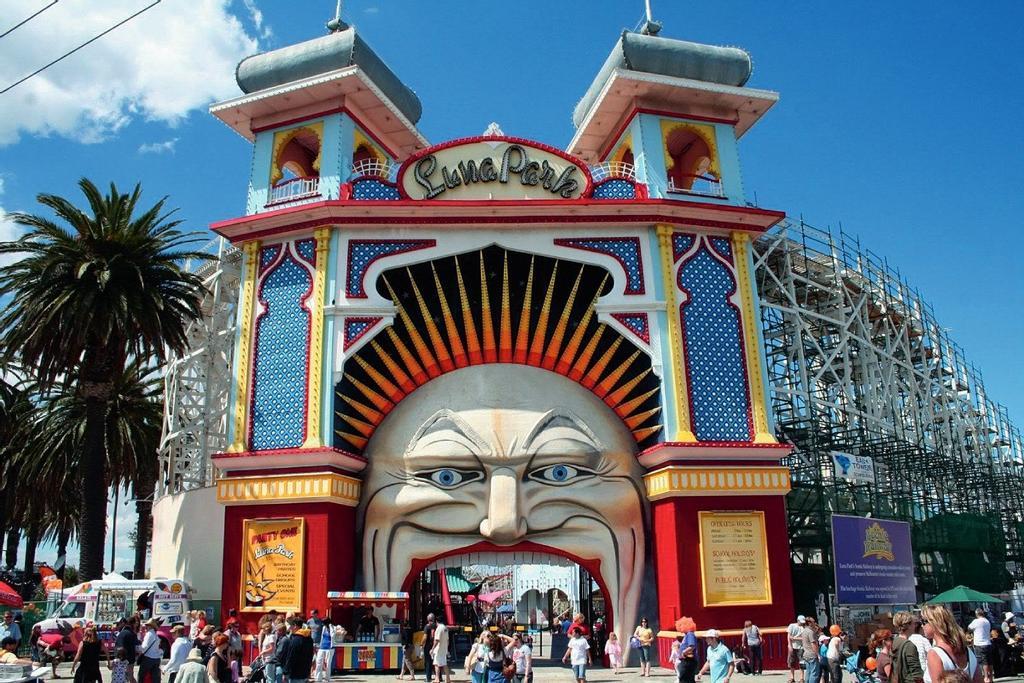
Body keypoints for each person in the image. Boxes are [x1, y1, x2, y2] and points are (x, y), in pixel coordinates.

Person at [920, 604, 980, 683]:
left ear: (934, 623)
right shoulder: (967, 651)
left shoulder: (935, 654)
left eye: (923, 622)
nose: (922, 625)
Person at [893, 612, 926, 683]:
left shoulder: (895, 641)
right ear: (908, 625)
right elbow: (916, 673)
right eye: (914, 623)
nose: (915, 626)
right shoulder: (908, 645)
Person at [282, 618, 315, 683]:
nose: (290, 628)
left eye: (291, 625)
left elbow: (291, 657)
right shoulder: (309, 638)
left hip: (295, 674)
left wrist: (285, 672)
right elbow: (311, 655)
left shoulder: (295, 640)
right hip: (305, 673)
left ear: (295, 626)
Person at [967, 609, 992, 683]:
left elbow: (969, 628)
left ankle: (986, 677)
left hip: (979, 644)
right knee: (989, 661)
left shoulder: (976, 621)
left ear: (977, 614)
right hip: (988, 643)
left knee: (983, 662)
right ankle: (990, 677)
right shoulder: (987, 621)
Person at [138, 618, 164, 683]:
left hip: (148, 658)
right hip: (156, 659)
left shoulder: (149, 634)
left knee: (141, 677)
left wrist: (137, 648)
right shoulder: (155, 635)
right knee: (155, 679)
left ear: (150, 626)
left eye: (147, 625)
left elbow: (144, 647)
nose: (146, 627)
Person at [800, 617, 821, 683]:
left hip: (806, 654)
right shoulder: (810, 632)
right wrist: (818, 655)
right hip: (812, 655)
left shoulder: (804, 631)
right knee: (814, 674)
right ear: (809, 623)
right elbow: (813, 644)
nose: (815, 623)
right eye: (813, 622)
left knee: (808, 672)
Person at [312, 618, 333, 683]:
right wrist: (320, 645)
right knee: (318, 662)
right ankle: (318, 678)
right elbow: (322, 637)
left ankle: (327, 678)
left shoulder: (332, 628)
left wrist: (330, 628)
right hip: (322, 647)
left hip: (329, 648)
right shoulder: (324, 628)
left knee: (328, 663)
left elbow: (333, 635)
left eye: (324, 622)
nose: (322, 624)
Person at [788, 616, 807, 683]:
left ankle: (802, 678)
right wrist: (789, 645)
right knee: (791, 662)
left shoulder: (804, 628)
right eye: (801, 622)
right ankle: (792, 677)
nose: (802, 623)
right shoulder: (791, 626)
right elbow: (789, 636)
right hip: (793, 646)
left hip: (801, 647)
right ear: (797, 620)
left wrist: (794, 638)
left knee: (801, 662)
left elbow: (804, 638)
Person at [422, 614, 437, 683]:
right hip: (435, 645)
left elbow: (425, 637)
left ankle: (428, 678)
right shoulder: (436, 626)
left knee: (428, 662)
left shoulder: (427, 626)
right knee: (436, 662)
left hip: (428, 646)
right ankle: (438, 677)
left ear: (428, 619)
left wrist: (421, 644)